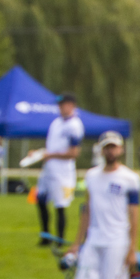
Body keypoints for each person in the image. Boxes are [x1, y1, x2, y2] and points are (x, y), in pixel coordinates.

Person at [68, 131, 140, 279]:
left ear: (121, 150)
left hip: (117, 239)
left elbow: (134, 215)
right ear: (101, 150)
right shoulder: (91, 176)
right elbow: (86, 210)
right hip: (94, 238)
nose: (110, 151)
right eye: (107, 148)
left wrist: (132, 249)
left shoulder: (130, 178)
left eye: (114, 147)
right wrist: (77, 243)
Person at [36, 94, 85, 245]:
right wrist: (39, 153)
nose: (60, 107)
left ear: (71, 105)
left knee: (60, 205)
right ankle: (45, 235)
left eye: (62, 104)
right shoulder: (56, 123)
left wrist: (50, 154)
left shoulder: (75, 125)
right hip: (49, 168)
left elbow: (73, 153)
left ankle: (60, 238)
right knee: (41, 199)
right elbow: (53, 147)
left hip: (62, 171)